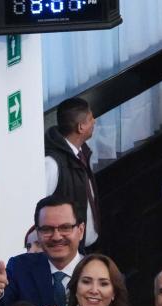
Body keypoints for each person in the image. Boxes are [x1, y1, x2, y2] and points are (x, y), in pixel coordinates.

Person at [0, 195, 84, 306]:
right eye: (47, 229)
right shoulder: (20, 268)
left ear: (81, 230)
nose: (56, 237)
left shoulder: (99, 271)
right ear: (38, 233)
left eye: (65, 228)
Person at [44, 97, 101, 249]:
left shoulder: (82, 152)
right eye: (90, 119)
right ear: (81, 127)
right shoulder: (52, 164)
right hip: (69, 252)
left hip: (86, 247)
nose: (94, 121)